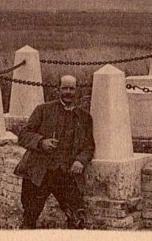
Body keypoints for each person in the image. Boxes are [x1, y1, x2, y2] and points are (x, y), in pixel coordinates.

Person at [14, 74, 95, 229]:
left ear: (77, 91)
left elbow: (89, 146)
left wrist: (80, 160)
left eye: (72, 88)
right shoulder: (43, 110)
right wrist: (41, 142)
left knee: (77, 215)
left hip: (66, 174)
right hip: (39, 172)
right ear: (58, 89)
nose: (68, 92)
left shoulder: (84, 118)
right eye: (65, 88)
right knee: (30, 215)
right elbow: (23, 135)